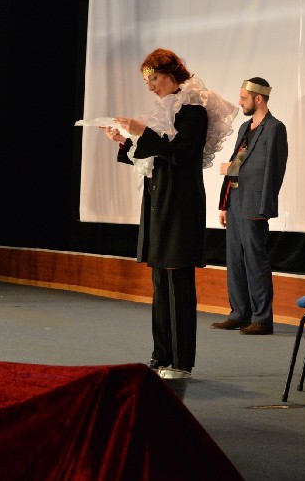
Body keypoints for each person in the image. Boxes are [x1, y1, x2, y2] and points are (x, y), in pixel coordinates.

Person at [101, 48, 236, 373]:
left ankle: (181, 361)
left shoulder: (193, 111)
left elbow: (181, 155)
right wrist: (125, 142)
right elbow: (154, 157)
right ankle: (161, 355)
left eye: (154, 79)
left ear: (171, 75)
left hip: (180, 206)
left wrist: (142, 133)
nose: (150, 86)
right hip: (159, 204)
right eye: (147, 81)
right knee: (161, 284)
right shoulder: (162, 111)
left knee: (177, 285)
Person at [212, 78, 288, 335]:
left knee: (255, 261)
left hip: (254, 203)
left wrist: (265, 207)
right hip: (235, 201)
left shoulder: (275, 128)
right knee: (234, 260)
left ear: (258, 98)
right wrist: (224, 204)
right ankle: (239, 313)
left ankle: (262, 318)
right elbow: (236, 163)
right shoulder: (245, 127)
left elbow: (273, 170)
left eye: (244, 98)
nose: (240, 102)